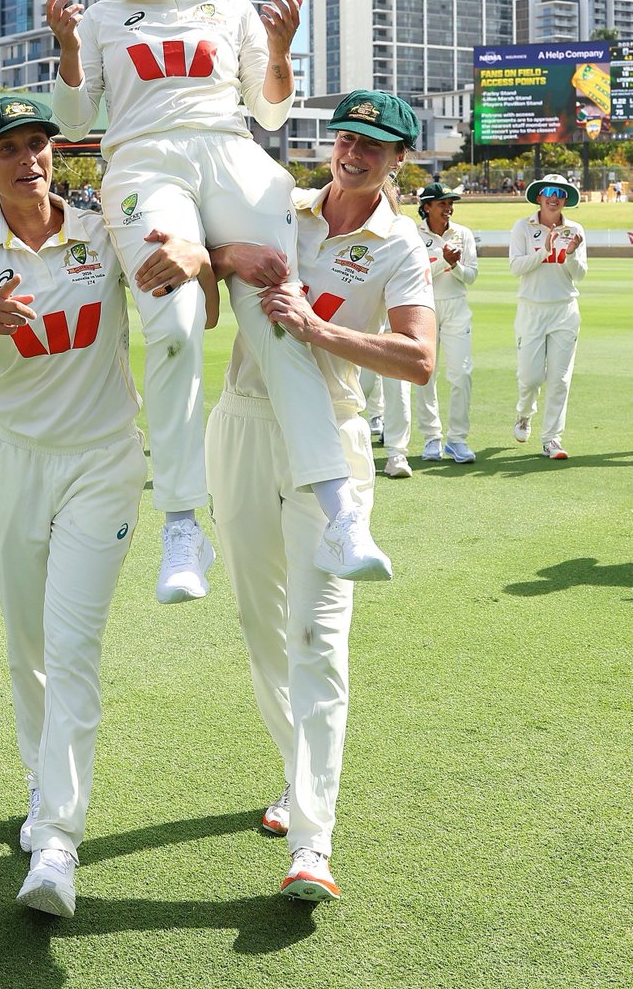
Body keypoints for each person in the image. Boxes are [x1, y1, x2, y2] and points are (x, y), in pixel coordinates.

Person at [0, 96, 215, 919]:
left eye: (39, 143)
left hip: (104, 463)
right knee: (28, 647)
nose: (29, 159)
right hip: (14, 464)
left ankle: (56, 841)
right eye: (8, 148)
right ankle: (42, 779)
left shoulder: (103, 231)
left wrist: (195, 255)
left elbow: (197, 305)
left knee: (74, 644)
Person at [47, 0, 391, 601]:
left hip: (232, 153)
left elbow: (271, 110)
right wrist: (68, 49)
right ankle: (182, 526)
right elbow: (75, 120)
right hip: (144, 161)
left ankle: (340, 512)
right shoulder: (105, 15)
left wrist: (280, 48)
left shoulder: (232, 9)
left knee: (282, 317)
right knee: (173, 325)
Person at [206, 91, 436, 900]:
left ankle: (313, 843)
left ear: (399, 159)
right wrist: (229, 257)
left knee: (319, 637)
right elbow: (203, 262)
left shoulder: (400, 244)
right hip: (240, 422)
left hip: (333, 438)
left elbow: (419, 360)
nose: (354, 153)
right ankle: (295, 773)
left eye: (374, 145)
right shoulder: (282, 208)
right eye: (346, 138)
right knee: (261, 626)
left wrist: (319, 329)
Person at [508, 174, 586, 459]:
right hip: (531, 309)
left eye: (561, 193)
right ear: (539, 196)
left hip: (564, 310)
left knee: (560, 380)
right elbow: (516, 267)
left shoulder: (575, 229)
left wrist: (571, 254)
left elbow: (580, 274)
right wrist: (545, 251)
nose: (555, 197)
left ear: (566, 199)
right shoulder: (523, 227)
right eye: (550, 191)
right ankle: (524, 414)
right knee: (530, 378)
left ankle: (552, 439)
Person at [415, 183, 478, 463]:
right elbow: (415, 276)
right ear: (427, 206)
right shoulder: (414, 235)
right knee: (426, 375)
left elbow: (471, 277)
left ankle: (457, 440)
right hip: (425, 307)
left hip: (457, 307)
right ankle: (431, 438)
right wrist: (444, 261)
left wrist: (455, 265)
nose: (448, 208)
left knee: (461, 374)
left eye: (451, 203)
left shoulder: (463, 234)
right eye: (442, 203)